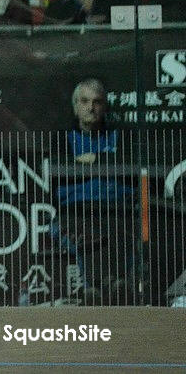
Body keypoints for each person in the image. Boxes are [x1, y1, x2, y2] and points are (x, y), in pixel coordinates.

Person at [50, 78, 137, 304]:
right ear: (75, 107)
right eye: (85, 101)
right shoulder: (61, 139)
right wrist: (107, 165)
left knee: (118, 229)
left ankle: (96, 289)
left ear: (105, 106)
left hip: (117, 211)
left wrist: (93, 160)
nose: (91, 107)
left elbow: (129, 167)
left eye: (97, 102)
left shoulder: (121, 136)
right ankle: (108, 284)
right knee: (89, 234)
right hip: (74, 213)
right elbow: (60, 172)